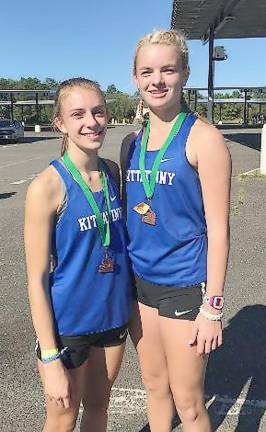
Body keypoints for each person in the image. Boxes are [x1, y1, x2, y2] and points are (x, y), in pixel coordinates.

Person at [120, 30, 231, 432]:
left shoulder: (205, 139)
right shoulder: (132, 142)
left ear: (185, 73)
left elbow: (219, 230)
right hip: (140, 284)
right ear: (135, 77)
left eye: (168, 69)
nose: (157, 80)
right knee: (154, 386)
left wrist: (213, 307)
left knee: (188, 403)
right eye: (147, 71)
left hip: (185, 284)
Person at [24, 77, 132, 432]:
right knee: (62, 418)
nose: (92, 121)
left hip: (113, 316)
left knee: (99, 406)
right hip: (68, 326)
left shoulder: (112, 173)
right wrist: (51, 356)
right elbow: (37, 280)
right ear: (61, 124)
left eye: (98, 111)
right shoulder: (47, 187)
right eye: (79, 114)